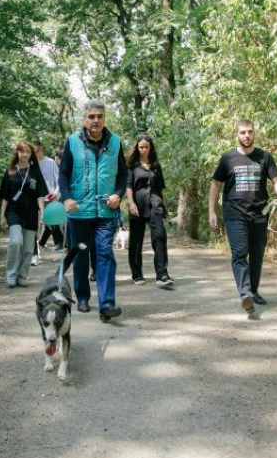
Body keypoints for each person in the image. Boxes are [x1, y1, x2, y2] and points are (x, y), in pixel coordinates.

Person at [209, 120, 277, 313]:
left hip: (260, 214)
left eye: (250, 132)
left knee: (257, 255)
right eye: (243, 132)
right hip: (234, 214)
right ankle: (245, 292)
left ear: (254, 134)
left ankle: (253, 291)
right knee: (239, 253)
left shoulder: (264, 156)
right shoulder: (227, 158)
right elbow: (215, 185)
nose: (247, 135)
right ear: (236, 135)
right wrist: (211, 211)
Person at [58, 101, 127, 321]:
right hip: (79, 211)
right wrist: (67, 198)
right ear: (84, 119)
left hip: (106, 211)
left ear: (104, 118)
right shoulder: (72, 142)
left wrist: (118, 194)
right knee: (81, 254)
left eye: (99, 116)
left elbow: (123, 175)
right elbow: (64, 174)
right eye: (91, 116)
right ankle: (83, 297)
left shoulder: (115, 142)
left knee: (105, 254)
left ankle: (107, 305)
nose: (95, 120)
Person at [125, 134, 174, 288]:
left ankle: (162, 275)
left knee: (160, 237)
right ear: (137, 148)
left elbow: (160, 189)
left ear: (150, 147)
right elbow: (128, 186)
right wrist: (131, 203)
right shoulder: (131, 165)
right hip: (137, 207)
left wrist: (165, 209)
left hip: (155, 205)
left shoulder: (155, 165)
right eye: (141, 147)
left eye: (147, 147)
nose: (144, 150)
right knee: (136, 242)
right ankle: (137, 274)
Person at [0, 142, 47, 287]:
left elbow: (40, 195)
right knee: (15, 242)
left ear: (31, 155)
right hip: (13, 211)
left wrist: (42, 213)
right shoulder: (10, 171)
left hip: (31, 212)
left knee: (27, 248)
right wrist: (2, 215)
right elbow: (5, 196)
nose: (25, 154)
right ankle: (11, 275)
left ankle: (22, 275)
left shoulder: (35, 172)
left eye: (28, 152)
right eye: (22, 151)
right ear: (17, 153)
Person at [33, 141, 65, 255]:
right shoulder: (31, 164)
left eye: (35, 151)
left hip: (49, 198)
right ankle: (39, 247)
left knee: (50, 222)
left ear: (41, 148)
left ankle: (41, 244)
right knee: (35, 224)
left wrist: (56, 193)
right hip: (34, 198)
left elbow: (59, 180)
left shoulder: (50, 162)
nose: (34, 154)